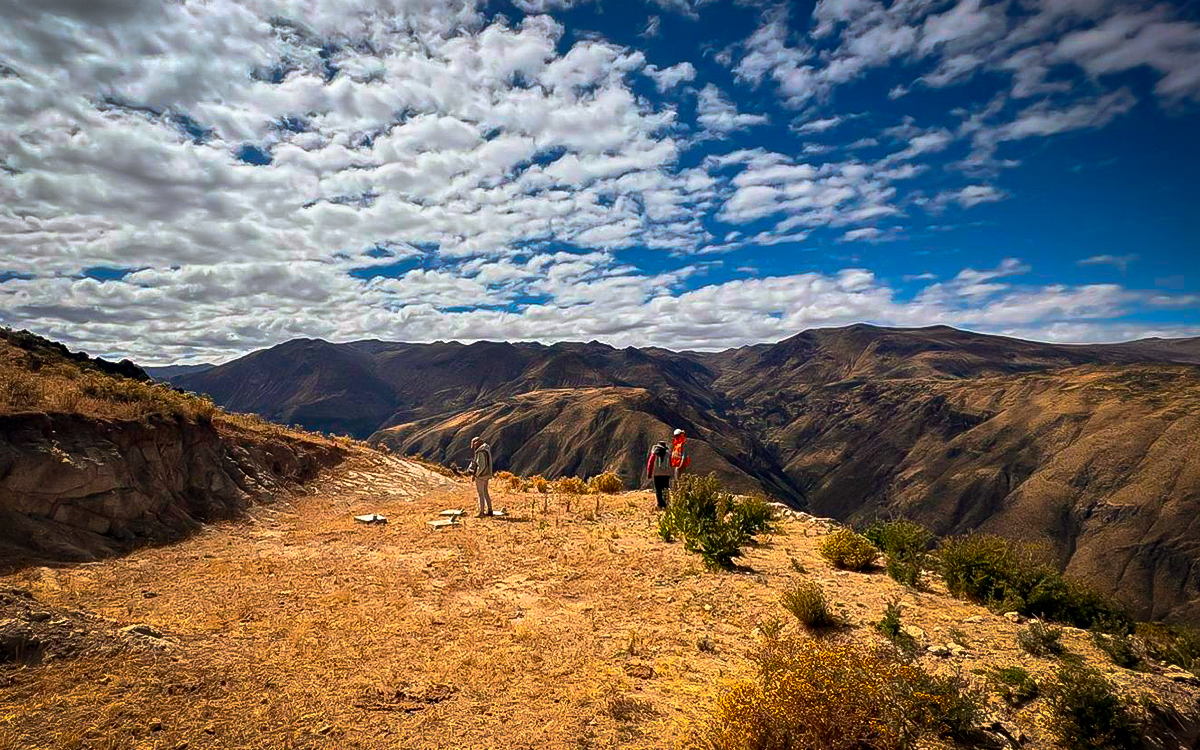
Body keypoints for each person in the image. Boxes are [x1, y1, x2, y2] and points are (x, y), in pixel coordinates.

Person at [466, 436, 494, 518]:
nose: (474, 447)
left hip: (481, 476)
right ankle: (490, 510)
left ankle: (481, 512)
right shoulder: (486, 449)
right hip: (486, 474)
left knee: (480, 494)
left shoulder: (480, 452)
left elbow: (481, 465)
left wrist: (476, 475)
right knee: (485, 493)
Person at [646, 440, 672, 509]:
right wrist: (671, 474)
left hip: (657, 474)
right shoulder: (668, 455)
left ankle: (660, 505)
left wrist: (649, 473)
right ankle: (667, 503)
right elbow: (671, 464)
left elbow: (650, 463)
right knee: (666, 489)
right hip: (666, 475)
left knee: (658, 490)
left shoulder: (654, 455)